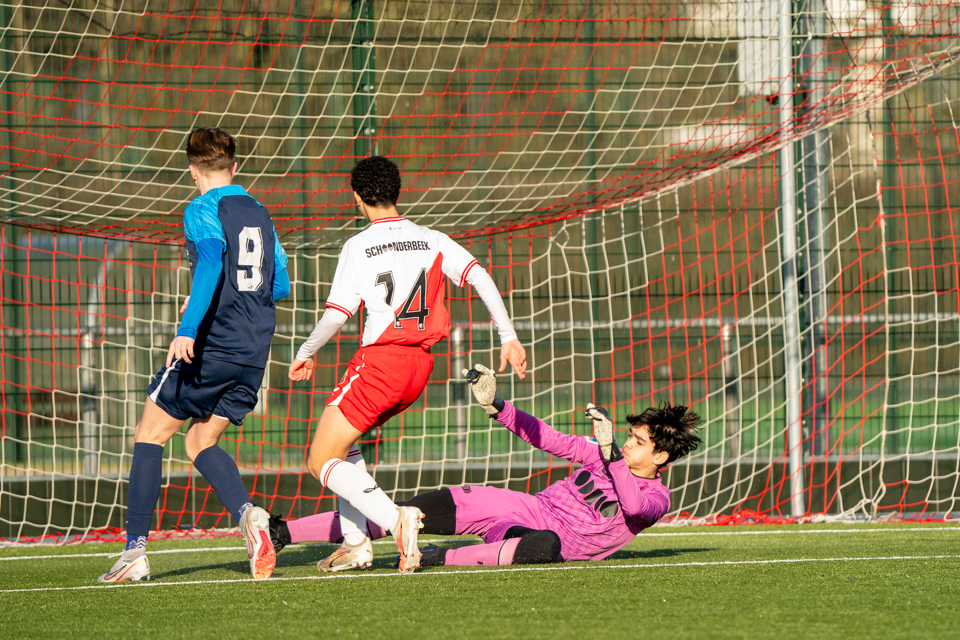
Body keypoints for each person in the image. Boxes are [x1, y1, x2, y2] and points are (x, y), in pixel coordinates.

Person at [288, 156, 527, 573]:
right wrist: (508, 336)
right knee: (345, 446)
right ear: (397, 192)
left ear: (357, 198)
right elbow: (479, 275)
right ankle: (356, 543)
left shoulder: (358, 245)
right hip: (419, 368)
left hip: (381, 362)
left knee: (319, 460)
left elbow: (336, 315)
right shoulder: (431, 239)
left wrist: (305, 352)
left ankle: (395, 520)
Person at [268, 364, 702, 568]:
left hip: (542, 538)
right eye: (628, 436)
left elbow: (631, 505)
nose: (627, 444)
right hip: (524, 507)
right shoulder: (598, 451)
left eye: (637, 442)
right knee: (407, 509)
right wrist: (497, 405)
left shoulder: (656, 497)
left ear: (660, 457)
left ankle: (441, 558)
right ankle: (281, 532)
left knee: (544, 549)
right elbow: (546, 436)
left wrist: (612, 456)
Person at [98, 127, 290, 583]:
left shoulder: (203, 207)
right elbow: (279, 284)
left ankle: (135, 552)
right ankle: (250, 518)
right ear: (235, 167)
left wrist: (187, 328)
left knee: (149, 435)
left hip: (212, 345)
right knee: (199, 441)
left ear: (192, 170)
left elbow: (208, 259)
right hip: (254, 349)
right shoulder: (260, 212)